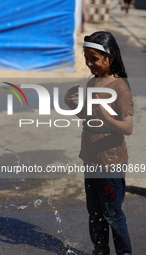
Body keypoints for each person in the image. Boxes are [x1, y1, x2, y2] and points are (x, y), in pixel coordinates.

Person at [64, 31, 133, 255]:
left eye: (94, 58)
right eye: (86, 58)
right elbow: (87, 115)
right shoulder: (93, 82)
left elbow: (128, 127)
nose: (89, 63)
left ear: (110, 58)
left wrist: (108, 118)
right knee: (94, 210)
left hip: (111, 161)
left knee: (113, 212)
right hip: (91, 157)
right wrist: (72, 104)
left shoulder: (119, 87)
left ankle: (124, 252)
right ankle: (100, 250)